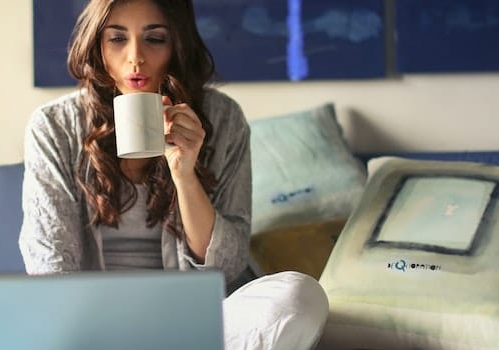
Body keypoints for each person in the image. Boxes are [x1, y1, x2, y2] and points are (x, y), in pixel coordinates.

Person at [17, 0, 328, 349]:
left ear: (177, 44)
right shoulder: (54, 127)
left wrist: (185, 173)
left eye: (155, 39)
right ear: (97, 45)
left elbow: (226, 266)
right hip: (91, 324)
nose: (136, 57)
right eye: (117, 39)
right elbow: (50, 265)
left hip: (194, 322)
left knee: (299, 297)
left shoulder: (222, 119)